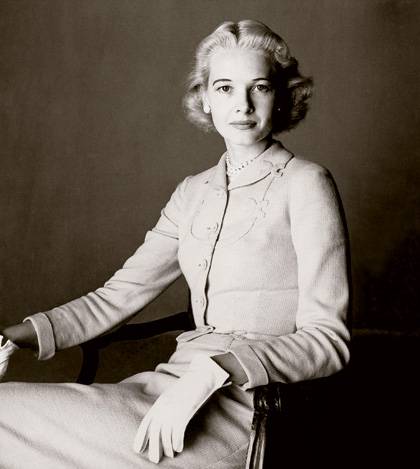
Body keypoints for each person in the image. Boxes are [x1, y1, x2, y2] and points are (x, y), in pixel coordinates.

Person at [0, 19, 351, 469]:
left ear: (281, 97)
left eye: (259, 87)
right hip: (164, 388)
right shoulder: (192, 191)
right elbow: (117, 296)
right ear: (204, 98)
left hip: (249, 406)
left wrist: (217, 369)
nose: (242, 105)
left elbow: (329, 341)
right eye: (224, 88)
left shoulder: (307, 182)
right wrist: (13, 336)